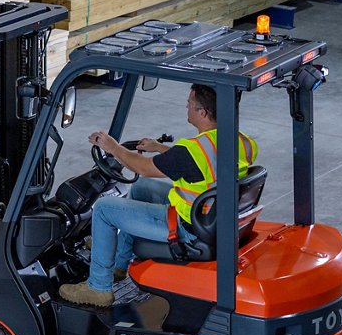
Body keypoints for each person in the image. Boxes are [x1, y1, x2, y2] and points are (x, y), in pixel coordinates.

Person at [58, 83, 258, 308]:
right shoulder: (241, 141)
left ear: (202, 113)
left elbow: (143, 167)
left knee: (104, 209)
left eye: (190, 105)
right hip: (209, 216)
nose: (186, 107)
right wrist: (158, 148)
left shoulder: (191, 151)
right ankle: (118, 264)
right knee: (143, 188)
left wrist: (112, 147)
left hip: (188, 229)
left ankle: (98, 288)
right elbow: (203, 162)